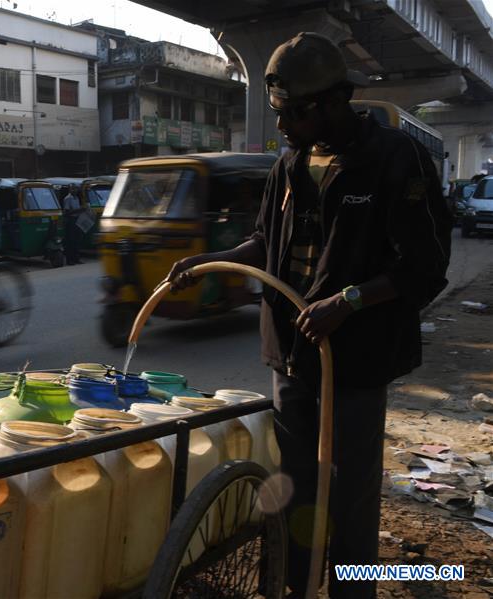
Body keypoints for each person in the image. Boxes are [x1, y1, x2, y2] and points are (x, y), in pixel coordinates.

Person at [166, 32, 451, 599]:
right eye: (280, 113)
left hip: (356, 359)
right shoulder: (290, 164)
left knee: (348, 491)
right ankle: (295, 586)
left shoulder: (396, 160)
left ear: (332, 103)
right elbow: (265, 244)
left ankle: (352, 588)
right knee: (293, 485)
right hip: (291, 355)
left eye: (293, 113)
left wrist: (346, 302)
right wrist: (214, 262)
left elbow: (422, 267)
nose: (282, 126)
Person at [62, 184, 83, 265]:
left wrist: (82, 210)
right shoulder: (68, 198)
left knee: (77, 240)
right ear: (70, 190)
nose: (75, 190)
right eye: (73, 189)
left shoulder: (76, 198)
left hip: (77, 219)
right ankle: (69, 260)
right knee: (70, 241)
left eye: (76, 189)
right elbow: (66, 213)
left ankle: (76, 259)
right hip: (70, 220)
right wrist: (78, 210)